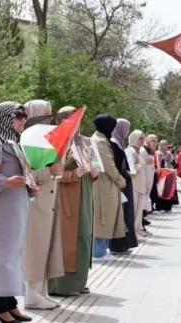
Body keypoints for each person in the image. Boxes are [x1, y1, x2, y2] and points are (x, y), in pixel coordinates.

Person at [0, 102, 34, 323]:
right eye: (18, 116)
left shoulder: (13, 142)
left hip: (16, 205)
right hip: (0, 207)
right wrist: (6, 181)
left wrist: (28, 185)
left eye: (24, 116)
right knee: (1, 256)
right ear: (3, 118)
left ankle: (10, 303)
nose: (22, 120)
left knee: (13, 255)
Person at [49, 106, 96, 297]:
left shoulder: (83, 142)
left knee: (84, 235)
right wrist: (72, 174)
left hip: (84, 193)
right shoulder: (55, 141)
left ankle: (79, 281)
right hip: (65, 197)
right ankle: (62, 286)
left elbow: (94, 166)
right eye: (71, 120)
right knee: (67, 240)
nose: (76, 124)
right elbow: (49, 173)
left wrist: (94, 172)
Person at [23, 100, 64, 310]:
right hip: (36, 200)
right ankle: (31, 294)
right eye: (45, 113)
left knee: (47, 246)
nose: (49, 117)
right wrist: (50, 171)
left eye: (50, 112)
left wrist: (58, 167)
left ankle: (42, 291)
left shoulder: (46, 139)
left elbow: (56, 167)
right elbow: (30, 172)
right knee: (35, 247)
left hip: (50, 198)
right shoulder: (27, 139)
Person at [91, 114, 127, 261]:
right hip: (103, 183)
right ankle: (98, 253)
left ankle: (102, 250)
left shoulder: (102, 139)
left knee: (108, 216)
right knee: (102, 217)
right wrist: (120, 179)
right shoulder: (99, 141)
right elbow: (107, 164)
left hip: (107, 183)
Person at [109, 118, 138, 254]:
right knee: (122, 214)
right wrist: (125, 173)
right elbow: (114, 165)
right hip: (121, 182)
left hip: (125, 181)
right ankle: (118, 245)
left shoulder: (119, 143)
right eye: (126, 129)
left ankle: (124, 244)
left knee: (126, 213)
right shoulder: (114, 143)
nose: (128, 132)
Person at [126, 130, 148, 238]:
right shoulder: (130, 151)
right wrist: (141, 164)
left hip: (139, 185)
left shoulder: (137, 151)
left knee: (139, 211)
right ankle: (133, 233)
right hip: (134, 186)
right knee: (134, 211)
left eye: (143, 138)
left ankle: (137, 231)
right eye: (140, 138)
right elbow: (132, 170)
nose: (142, 141)